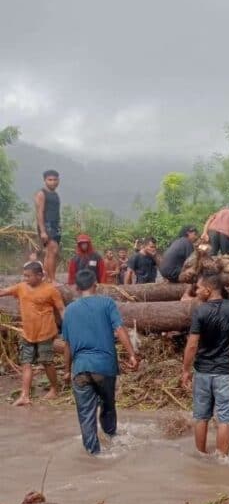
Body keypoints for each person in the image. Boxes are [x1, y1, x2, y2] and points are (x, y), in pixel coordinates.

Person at [60, 269, 139, 454]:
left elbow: (67, 344)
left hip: (80, 370)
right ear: (96, 285)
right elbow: (119, 329)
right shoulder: (107, 303)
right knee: (108, 404)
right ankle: (112, 439)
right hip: (105, 367)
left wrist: (65, 369)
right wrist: (132, 355)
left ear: (77, 288)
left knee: (86, 415)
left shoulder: (70, 310)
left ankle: (93, 455)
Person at [181, 272, 229, 456]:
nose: (197, 290)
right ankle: (222, 461)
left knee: (201, 417)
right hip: (226, 373)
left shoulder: (200, 311)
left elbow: (192, 344)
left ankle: (200, 456)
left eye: (199, 287)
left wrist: (186, 370)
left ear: (208, 290)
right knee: (225, 420)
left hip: (202, 372)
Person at [0, 261, 65, 406]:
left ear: (40, 275)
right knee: (26, 363)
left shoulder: (51, 290)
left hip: (45, 333)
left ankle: (55, 388)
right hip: (28, 333)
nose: (25, 278)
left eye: (28, 276)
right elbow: (3, 292)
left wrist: (68, 327)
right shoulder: (21, 287)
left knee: (47, 361)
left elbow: (61, 309)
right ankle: (24, 395)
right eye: (24, 275)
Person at [34, 169, 61, 282]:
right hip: (46, 225)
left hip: (56, 225)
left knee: (51, 253)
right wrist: (43, 231)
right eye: (50, 180)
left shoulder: (55, 194)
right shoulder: (41, 193)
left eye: (55, 180)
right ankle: (52, 279)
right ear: (45, 180)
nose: (52, 182)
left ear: (58, 181)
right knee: (53, 251)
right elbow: (39, 212)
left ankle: (45, 279)